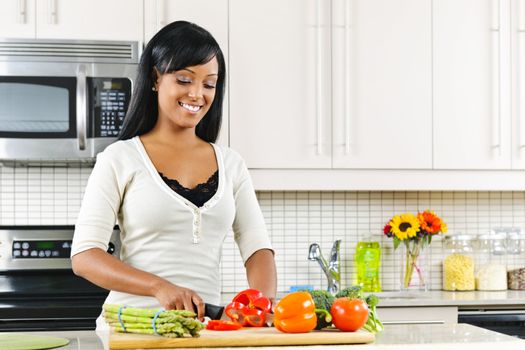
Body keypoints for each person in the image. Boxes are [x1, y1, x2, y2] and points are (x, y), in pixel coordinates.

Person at [70, 21, 277, 329]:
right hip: (132, 328)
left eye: (209, 84)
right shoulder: (120, 158)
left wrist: (260, 306)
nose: (197, 94)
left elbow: (258, 248)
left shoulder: (232, 164)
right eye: (184, 79)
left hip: (199, 332)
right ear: (156, 78)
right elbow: (85, 256)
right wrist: (159, 287)